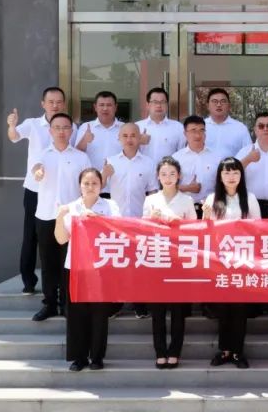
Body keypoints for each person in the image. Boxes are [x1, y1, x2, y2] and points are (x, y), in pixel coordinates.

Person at [6, 86, 70, 295]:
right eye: (51, 102)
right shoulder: (33, 124)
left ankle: (60, 283)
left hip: (59, 191)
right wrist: (12, 126)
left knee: (60, 236)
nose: (55, 105)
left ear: (64, 104)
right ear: (43, 104)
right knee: (31, 235)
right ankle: (28, 280)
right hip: (35, 189)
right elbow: (14, 136)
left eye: (59, 102)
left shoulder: (69, 126)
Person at [54, 167, 119, 372]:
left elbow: (118, 230)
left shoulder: (110, 206)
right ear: (80, 186)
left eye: (94, 183)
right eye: (86, 183)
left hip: (101, 268)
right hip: (76, 267)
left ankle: (97, 357)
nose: (90, 187)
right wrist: (60, 216)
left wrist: (97, 219)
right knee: (76, 314)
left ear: (101, 185)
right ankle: (79, 357)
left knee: (99, 313)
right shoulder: (71, 207)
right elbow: (61, 239)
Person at [30, 113, 90, 322]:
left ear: (72, 131)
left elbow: (87, 186)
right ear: (50, 131)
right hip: (46, 215)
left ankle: (67, 303)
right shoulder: (42, 155)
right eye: (57, 127)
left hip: (72, 218)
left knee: (69, 263)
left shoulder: (81, 157)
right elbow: (35, 169)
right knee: (48, 262)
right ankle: (49, 304)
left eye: (66, 127)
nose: (61, 131)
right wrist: (37, 171)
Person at [204, 157, 260, 369]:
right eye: (226, 172)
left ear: (241, 176)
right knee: (223, 307)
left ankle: (237, 351)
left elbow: (258, 228)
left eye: (235, 172)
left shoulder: (249, 198)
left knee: (239, 308)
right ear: (220, 176)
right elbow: (206, 231)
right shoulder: (212, 199)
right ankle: (224, 350)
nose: (231, 176)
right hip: (220, 261)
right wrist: (205, 217)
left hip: (242, 260)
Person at [142, 156, 197, 369]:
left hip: (179, 260)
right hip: (157, 259)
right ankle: (160, 351)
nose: (168, 177)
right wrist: (152, 219)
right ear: (158, 176)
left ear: (179, 176)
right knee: (157, 311)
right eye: (164, 174)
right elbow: (142, 229)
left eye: (172, 173)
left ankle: (174, 351)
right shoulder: (151, 200)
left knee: (177, 310)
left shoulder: (187, 200)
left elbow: (195, 231)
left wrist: (179, 223)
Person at [103, 122, 158, 319]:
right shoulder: (110, 161)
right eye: (125, 135)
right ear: (119, 138)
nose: (129, 139)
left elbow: (153, 192)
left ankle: (139, 304)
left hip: (139, 220)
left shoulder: (149, 163)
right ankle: (115, 304)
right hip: (115, 222)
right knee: (116, 263)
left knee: (139, 263)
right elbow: (99, 189)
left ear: (139, 138)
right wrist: (104, 175)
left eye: (133, 135)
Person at [73, 91, 122, 197]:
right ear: (95, 107)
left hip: (119, 185)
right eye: (101, 105)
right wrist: (84, 140)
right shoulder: (86, 127)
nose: (105, 108)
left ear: (115, 107)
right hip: (91, 187)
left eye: (109, 105)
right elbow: (76, 154)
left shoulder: (124, 128)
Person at [171, 115, 220, 219]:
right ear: (185, 133)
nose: (198, 135)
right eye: (193, 130)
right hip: (183, 210)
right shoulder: (176, 158)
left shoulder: (217, 157)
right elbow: (167, 187)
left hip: (211, 210)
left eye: (201, 130)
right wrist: (187, 188)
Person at [136, 87, 184, 164]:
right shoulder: (137, 127)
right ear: (147, 105)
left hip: (169, 171)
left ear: (167, 105)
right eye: (155, 102)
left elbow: (182, 154)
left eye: (162, 102)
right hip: (143, 170)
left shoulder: (178, 127)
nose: (159, 105)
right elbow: (128, 153)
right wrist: (137, 142)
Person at [204, 88, 252, 158]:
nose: (219, 105)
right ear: (207, 106)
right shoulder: (201, 127)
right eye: (214, 101)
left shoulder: (240, 128)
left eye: (223, 101)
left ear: (229, 106)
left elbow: (249, 154)